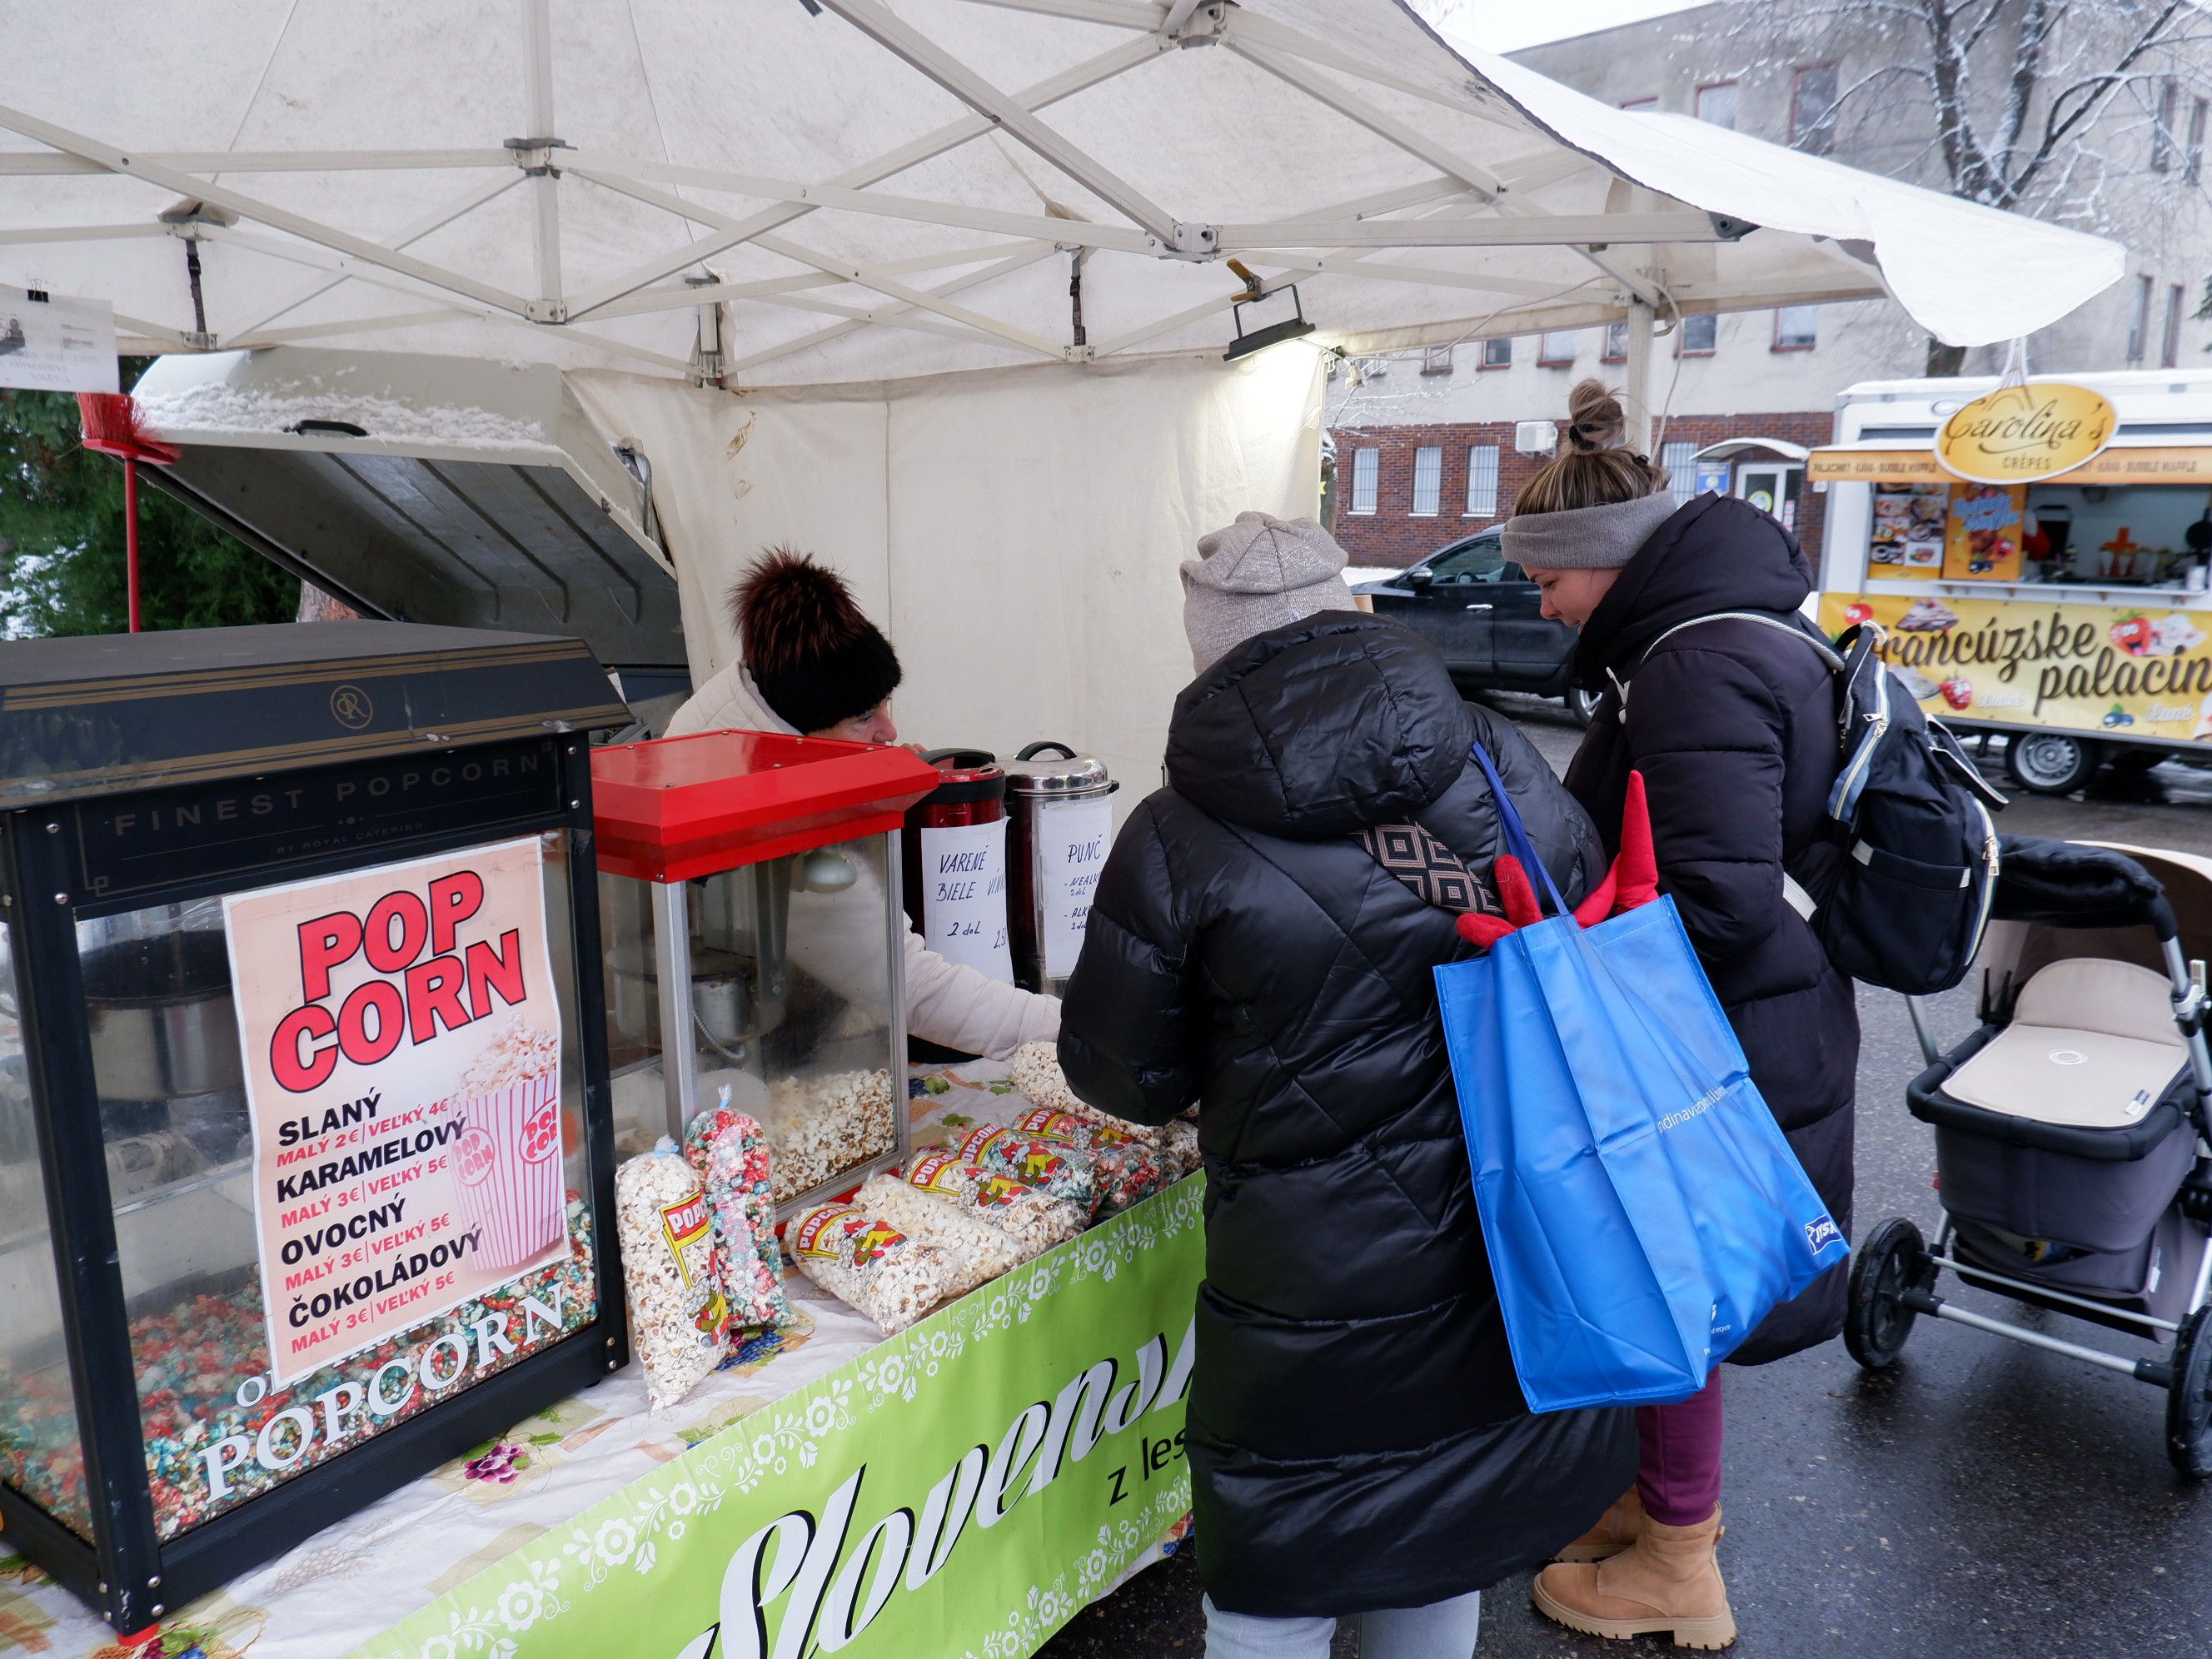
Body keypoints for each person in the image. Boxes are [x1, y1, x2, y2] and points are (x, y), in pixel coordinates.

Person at [1058, 511, 1638, 1659]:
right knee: (1443, 1533)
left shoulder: (1174, 833)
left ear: (1210, 651)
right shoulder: (1491, 753)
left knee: (1273, 1583)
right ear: (1348, 616)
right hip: (1500, 1242)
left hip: (1304, 1285)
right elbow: (1584, 921)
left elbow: (1120, 1074)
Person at [1507, 381, 1856, 1650]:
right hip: (1757, 1016)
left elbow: (1715, 900)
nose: (1542, 605)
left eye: (1549, 579)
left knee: (1674, 1286)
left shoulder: (1694, 667)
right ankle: (1650, 1497)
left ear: (1608, 560)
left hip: (1718, 1034)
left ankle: (1678, 1566)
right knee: (1670, 1282)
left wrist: (1573, 957)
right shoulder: (1722, 634)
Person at [665, 548, 1057, 1059]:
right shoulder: (763, 806)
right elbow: (908, 984)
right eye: (864, 717)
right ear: (805, 727)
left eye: (885, 704)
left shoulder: (755, 700)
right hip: (734, 1054)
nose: (890, 731)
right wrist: (1069, 1028)